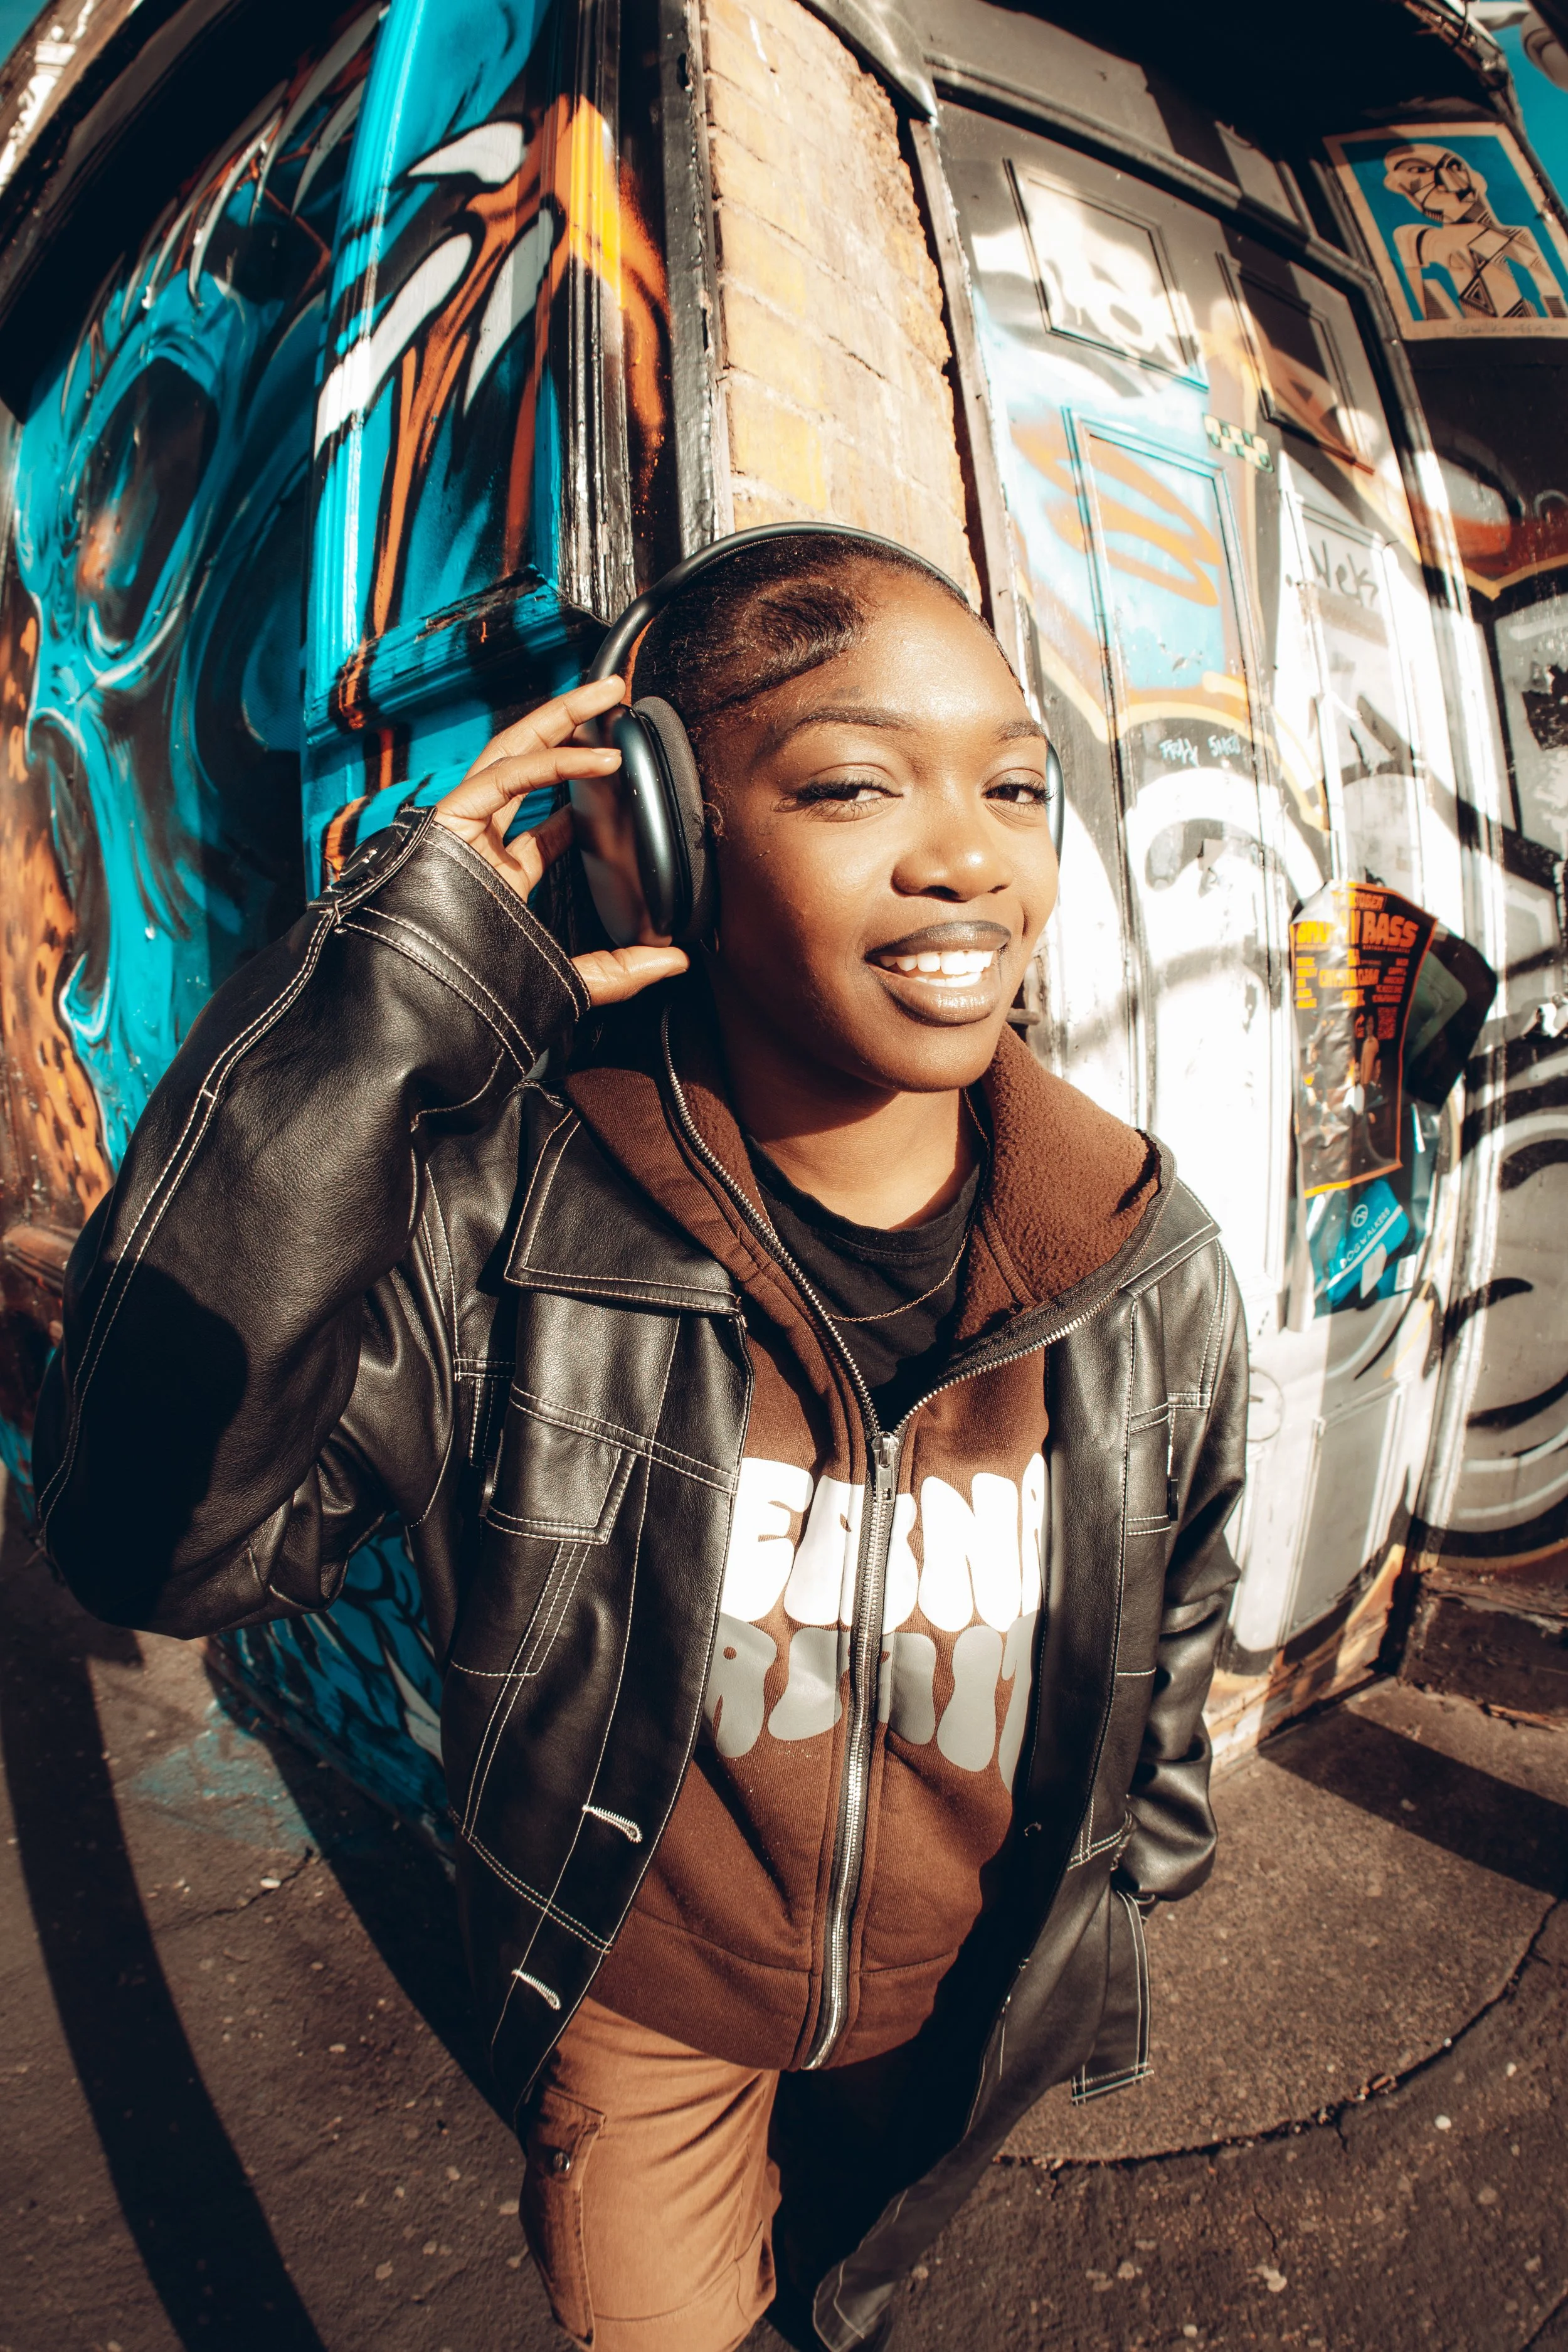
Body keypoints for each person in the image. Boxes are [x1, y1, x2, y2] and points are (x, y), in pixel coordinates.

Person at [34, 531, 1247, 2352]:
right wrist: (382, 998)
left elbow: (1185, 1574)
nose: (970, 856)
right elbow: (157, 1538)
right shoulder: (503, 1231)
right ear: (661, 832)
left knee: (847, 2305)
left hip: (960, 2003)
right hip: (644, 2011)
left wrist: (1140, 1850)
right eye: (852, 783)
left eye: (1011, 784)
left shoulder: (1136, 1253)